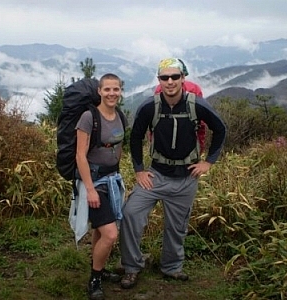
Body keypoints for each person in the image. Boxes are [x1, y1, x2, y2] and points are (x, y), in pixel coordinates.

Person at [119, 58, 226, 289]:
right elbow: (135, 137)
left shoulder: (196, 104)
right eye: (164, 77)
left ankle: (171, 267)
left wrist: (209, 162)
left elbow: (220, 129)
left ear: (183, 79)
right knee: (130, 214)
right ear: (159, 80)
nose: (170, 81)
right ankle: (131, 267)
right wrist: (139, 170)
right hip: (156, 175)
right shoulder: (150, 106)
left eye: (174, 77)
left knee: (177, 227)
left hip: (186, 178)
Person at [75, 73, 128, 299]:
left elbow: (118, 147)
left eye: (115, 89)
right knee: (110, 234)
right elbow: (80, 155)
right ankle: (95, 279)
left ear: (120, 91)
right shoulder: (89, 117)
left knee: (100, 229)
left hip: (112, 180)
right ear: (99, 91)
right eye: (107, 89)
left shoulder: (120, 116)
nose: (111, 94)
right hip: (95, 182)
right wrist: (90, 189)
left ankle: (99, 267)